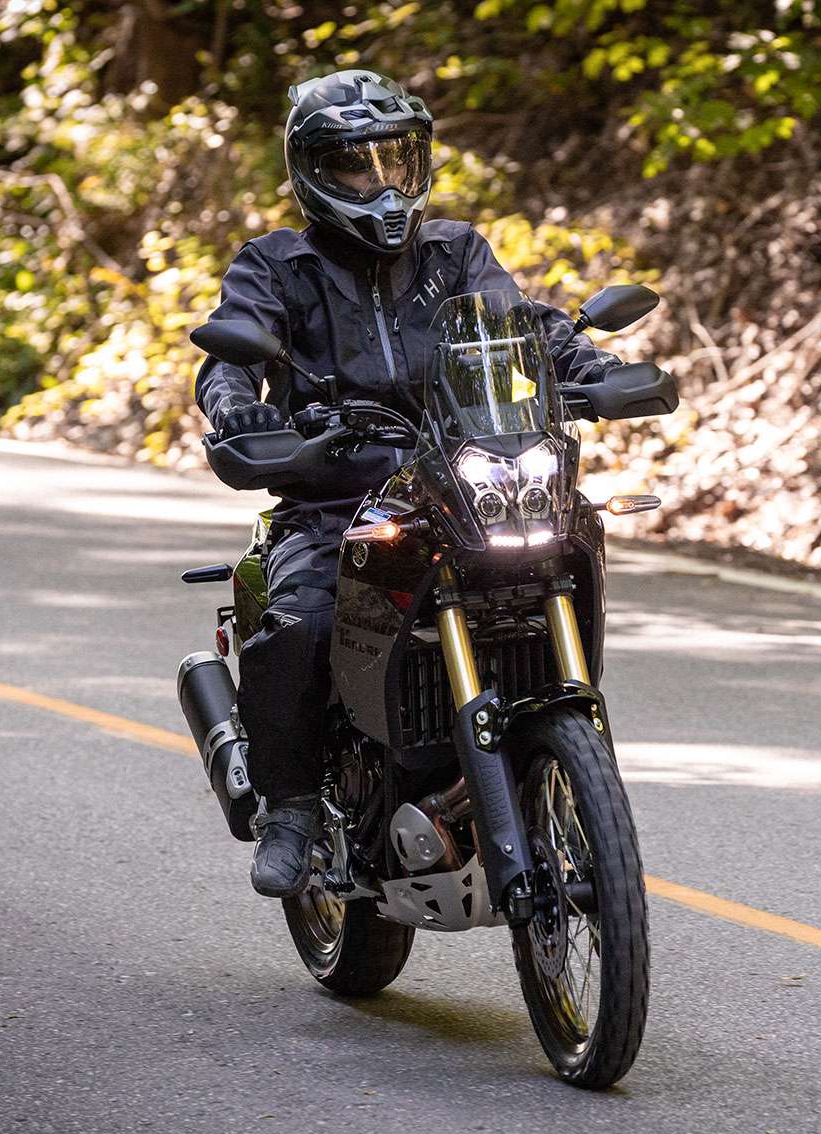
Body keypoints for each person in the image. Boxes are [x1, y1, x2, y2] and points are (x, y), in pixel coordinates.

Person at [194, 69, 619, 898]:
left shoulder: (455, 253)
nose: (383, 186)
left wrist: (590, 366)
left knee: (560, 552)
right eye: (355, 167)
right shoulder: (278, 266)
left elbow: (520, 325)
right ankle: (291, 807)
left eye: (397, 161)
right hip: (334, 500)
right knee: (304, 622)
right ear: (312, 172)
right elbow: (230, 355)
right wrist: (239, 407)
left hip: (458, 488)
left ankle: (552, 749)